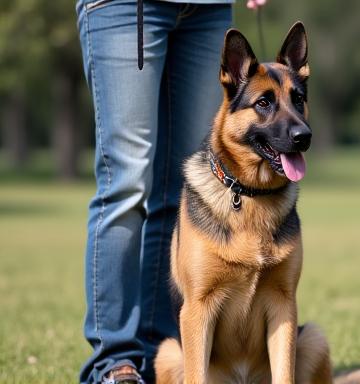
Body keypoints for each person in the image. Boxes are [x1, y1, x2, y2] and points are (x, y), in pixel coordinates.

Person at [75, 0, 267, 383]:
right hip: (126, 8)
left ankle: (163, 356)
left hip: (208, 9)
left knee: (183, 189)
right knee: (125, 184)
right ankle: (115, 364)